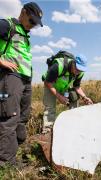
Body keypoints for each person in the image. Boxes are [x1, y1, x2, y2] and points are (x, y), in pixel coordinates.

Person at [0, 2, 43, 166]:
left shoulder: (24, 34)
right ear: (23, 12)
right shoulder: (6, 25)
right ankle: (6, 163)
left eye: (35, 24)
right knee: (9, 118)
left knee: (22, 117)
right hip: (11, 77)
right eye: (31, 21)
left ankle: (15, 152)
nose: (32, 26)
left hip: (25, 80)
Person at [42, 52, 93, 133]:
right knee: (50, 107)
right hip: (50, 85)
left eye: (80, 70)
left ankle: (72, 123)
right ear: (73, 62)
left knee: (74, 96)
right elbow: (47, 82)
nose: (78, 72)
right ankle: (47, 130)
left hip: (63, 87)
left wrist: (84, 97)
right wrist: (59, 96)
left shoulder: (80, 72)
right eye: (77, 68)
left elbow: (77, 87)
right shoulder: (58, 65)